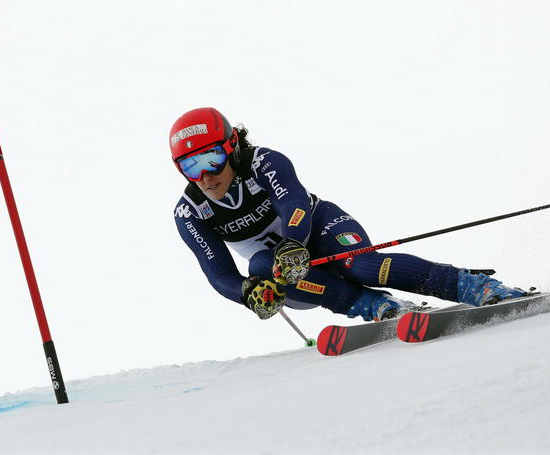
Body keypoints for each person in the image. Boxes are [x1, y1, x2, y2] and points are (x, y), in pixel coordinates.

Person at [171, 107, 526, 321]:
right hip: (293, 275)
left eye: (211, 158)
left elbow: (293, 202)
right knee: (262, 267)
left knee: (363, 267)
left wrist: (293, 241)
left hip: (318, 228)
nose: (205, 175)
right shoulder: (191, 212)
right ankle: (374, 307)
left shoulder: (263, 161)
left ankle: (472, 285)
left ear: (231, 147)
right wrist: (248, 293)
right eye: (190, 166)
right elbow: (218, 273)